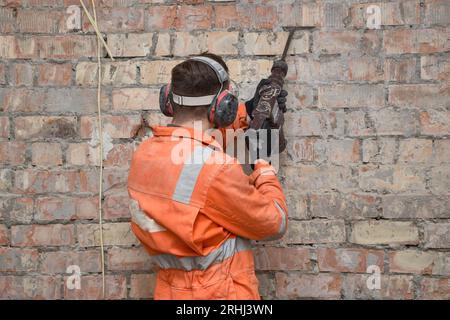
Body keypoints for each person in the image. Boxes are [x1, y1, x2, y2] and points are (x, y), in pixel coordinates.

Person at [127, 52, 288, 300]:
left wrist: (248, 111)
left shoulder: (144, 154)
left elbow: (191, 148)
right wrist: (264, 166)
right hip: (221, 294)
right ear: (224, 105)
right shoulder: (217, 168)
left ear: (168, 99)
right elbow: (275, 223)